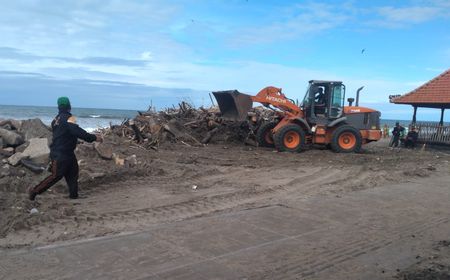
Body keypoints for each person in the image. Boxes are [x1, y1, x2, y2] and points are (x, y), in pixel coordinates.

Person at [28, 97, 102, 201]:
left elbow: (64, 134)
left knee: (73, 173)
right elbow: (76, 131)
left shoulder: (55, 120)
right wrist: (94, 138)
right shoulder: (69, 118)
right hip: (61, 153)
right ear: (69, 106)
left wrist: (75, 141)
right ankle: (35, 191)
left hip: (66, 152)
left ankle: (74, 196)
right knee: (56, 175)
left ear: (59, 107)